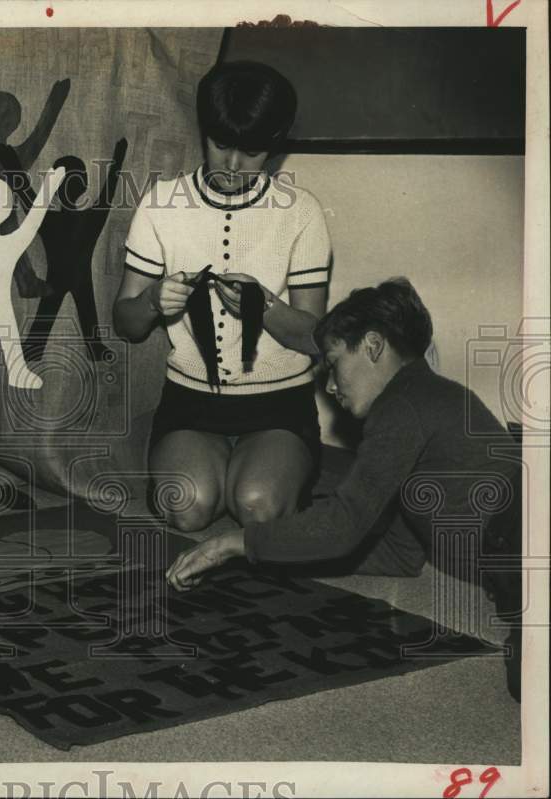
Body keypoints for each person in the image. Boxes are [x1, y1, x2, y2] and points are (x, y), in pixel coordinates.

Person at [166, 279, 523, 700]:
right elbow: (401, 554)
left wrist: (230, 544)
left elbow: (343, 527)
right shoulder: (422, 398)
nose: (331, 387)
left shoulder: (403, 408)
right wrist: (279, 552)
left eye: (333, 365)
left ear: (373, 346)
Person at [113, 60, 331, 532]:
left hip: (279, 405)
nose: (233, 166)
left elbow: (315, 338)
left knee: (257, 505)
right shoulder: (160, 205)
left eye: (252, 152)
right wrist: (152, 301)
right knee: (186, 507)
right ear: (203, 132)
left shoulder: (302, 212)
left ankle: (278, 470)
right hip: (190, 403)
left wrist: (266, 308)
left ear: (275, 146)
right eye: (221, 145)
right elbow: (125, 323)